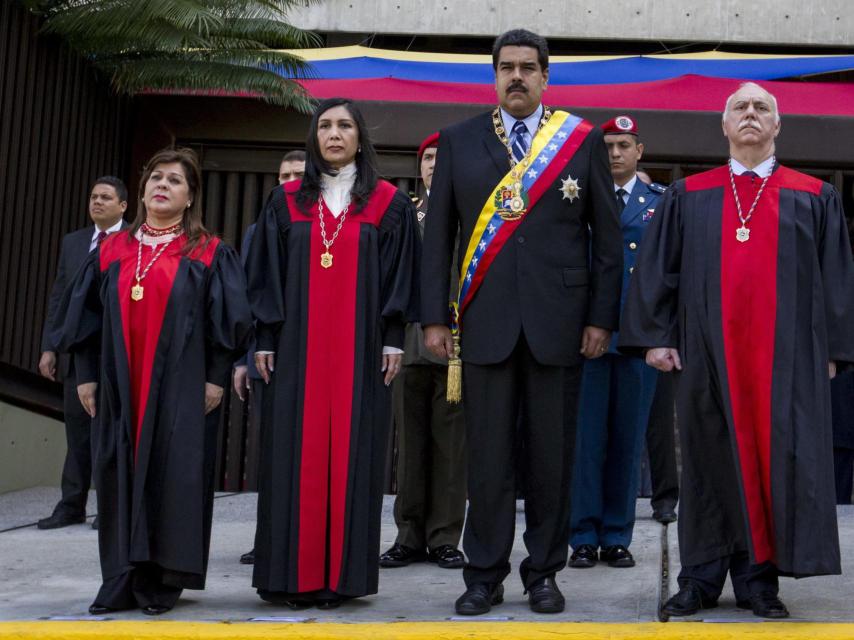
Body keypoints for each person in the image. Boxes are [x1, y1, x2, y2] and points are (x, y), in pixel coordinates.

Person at [619, 82, 854, 619]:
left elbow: (837, 278)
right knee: (703, 461)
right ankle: (699, 577)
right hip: (705, 352)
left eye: (761, 108)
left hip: (786, 360)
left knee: (774, 464)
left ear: (778, 125)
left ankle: (758, 579)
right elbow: (659, 270)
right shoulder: (690, 194)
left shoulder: (814, 195)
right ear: (724, 126)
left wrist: (834, 350)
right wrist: (655, 337)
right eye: (740, 108)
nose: (751, 114)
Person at [421, 29, 623, 615]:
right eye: (506, 67)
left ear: (545, 78)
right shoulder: (458, 141)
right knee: (486, 460)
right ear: (493, 77)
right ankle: (483, 574)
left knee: (550, 459)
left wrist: (600, 318)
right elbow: (439, 240)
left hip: (560, 325)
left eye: (528, 68)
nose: (516, 76)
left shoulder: (580, 140)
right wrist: (434, 318)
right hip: (483, 324)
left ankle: (543, 573)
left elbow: (606, 241)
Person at [53, 147, 252, 615]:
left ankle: (162, 580)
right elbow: (84, 321)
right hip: (119, 384)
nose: (163, 185)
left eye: (175, 181)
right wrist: (85, 378)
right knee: (117, 472)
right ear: (141, 192)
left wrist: (216, 379)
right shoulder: (111, 250)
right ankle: (119, 578)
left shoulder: (207, 252)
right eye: (156, 178)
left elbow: (226, 326)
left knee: (173, 476)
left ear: (190, 197)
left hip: (181, 386)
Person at [246, 97, 420, 609]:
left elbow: (399, 278)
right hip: (293, 352)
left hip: (362, 353)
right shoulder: (286, 202)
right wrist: (263, 337)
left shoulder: (389, 203)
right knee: (290, 456)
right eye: (325, 125)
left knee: (354, 455)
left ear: (360, 137)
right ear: (314, 137)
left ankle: (340, 580)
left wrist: (393, 337)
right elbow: (265, 277)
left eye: (345, 125)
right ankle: (287, 578)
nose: (335, 134)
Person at [568, 116, 665, 570]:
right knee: (586, 440)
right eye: (607, 145)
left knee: (628, 441)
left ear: (640, 151)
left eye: (624, 145)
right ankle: (583, 534)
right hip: (586, 336)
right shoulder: (577, 197)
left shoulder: (660, 203)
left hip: (637, 340)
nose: (615, 153)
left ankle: (617, 534)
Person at [380, 133, 467, 570]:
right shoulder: (403, 213)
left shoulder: (470, 213)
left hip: (457, 346)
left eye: (442, 156)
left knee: (452, 447)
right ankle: (408, 534)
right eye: (428, 156)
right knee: (409, 446)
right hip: (410, 345)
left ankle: (446, 537)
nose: (434, 163)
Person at [37, 176, 128, 530]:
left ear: (123, 205)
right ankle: (71, 504)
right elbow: (59, 297)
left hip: (116, 353)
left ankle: (110, 506)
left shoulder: (133, 240)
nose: (97, 202)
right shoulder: (74, 242)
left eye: (106, 197)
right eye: (93, 196)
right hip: (78, 352)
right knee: (77, 429)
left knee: (113, 430)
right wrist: (50, 345)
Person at [235, 149, 306, 566]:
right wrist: (241, 361)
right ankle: (267, 540)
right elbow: (247, 300)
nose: (289, 180)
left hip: (309, 358)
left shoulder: (319, 227)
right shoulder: (255, 231)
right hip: (263, 360)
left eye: (298, 174)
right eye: (284, 174)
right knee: (271, 457)